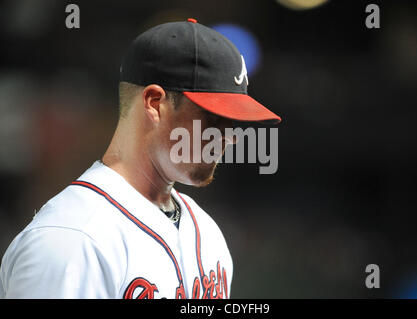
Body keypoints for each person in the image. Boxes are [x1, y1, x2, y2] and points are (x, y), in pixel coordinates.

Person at [0, 18, 281, 299]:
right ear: (154, 103)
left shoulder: (207, 232)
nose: (229, 136)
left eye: (232, 122)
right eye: (214, 118)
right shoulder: (73, 240)